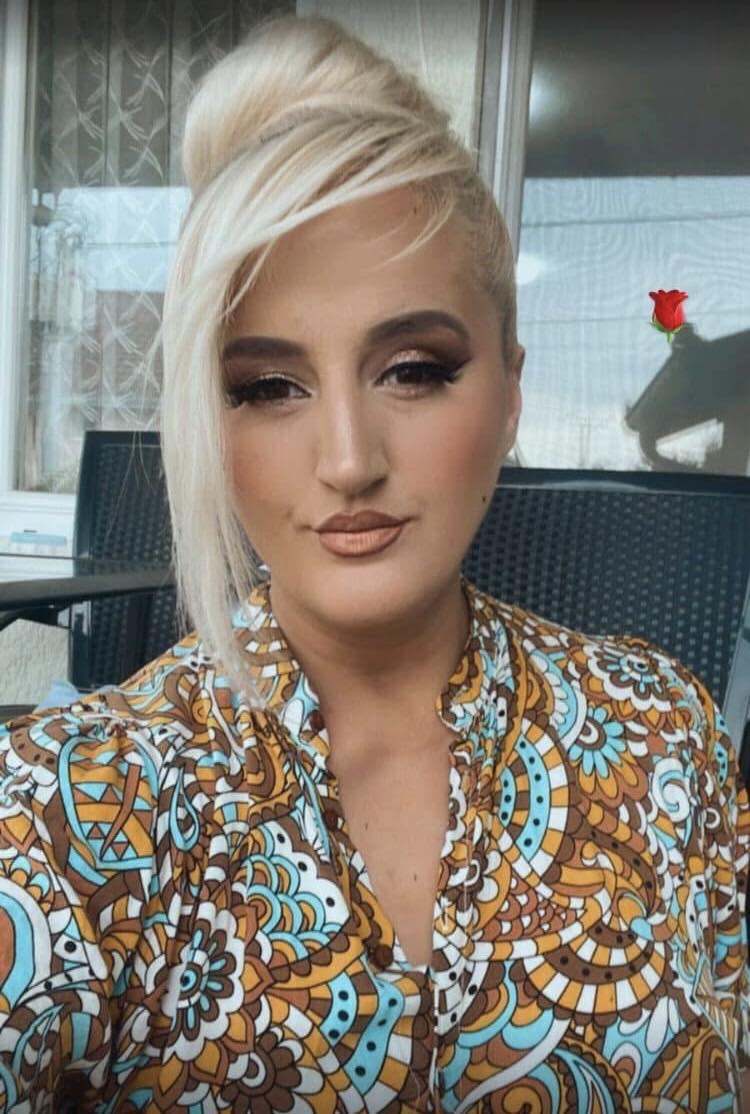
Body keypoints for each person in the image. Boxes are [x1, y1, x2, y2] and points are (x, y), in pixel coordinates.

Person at [0, 13, 748, 1114]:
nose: (349, 460)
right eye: (268, 386)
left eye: (412, 368)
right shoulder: (70, 804)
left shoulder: (664, 735)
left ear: (510, 390)